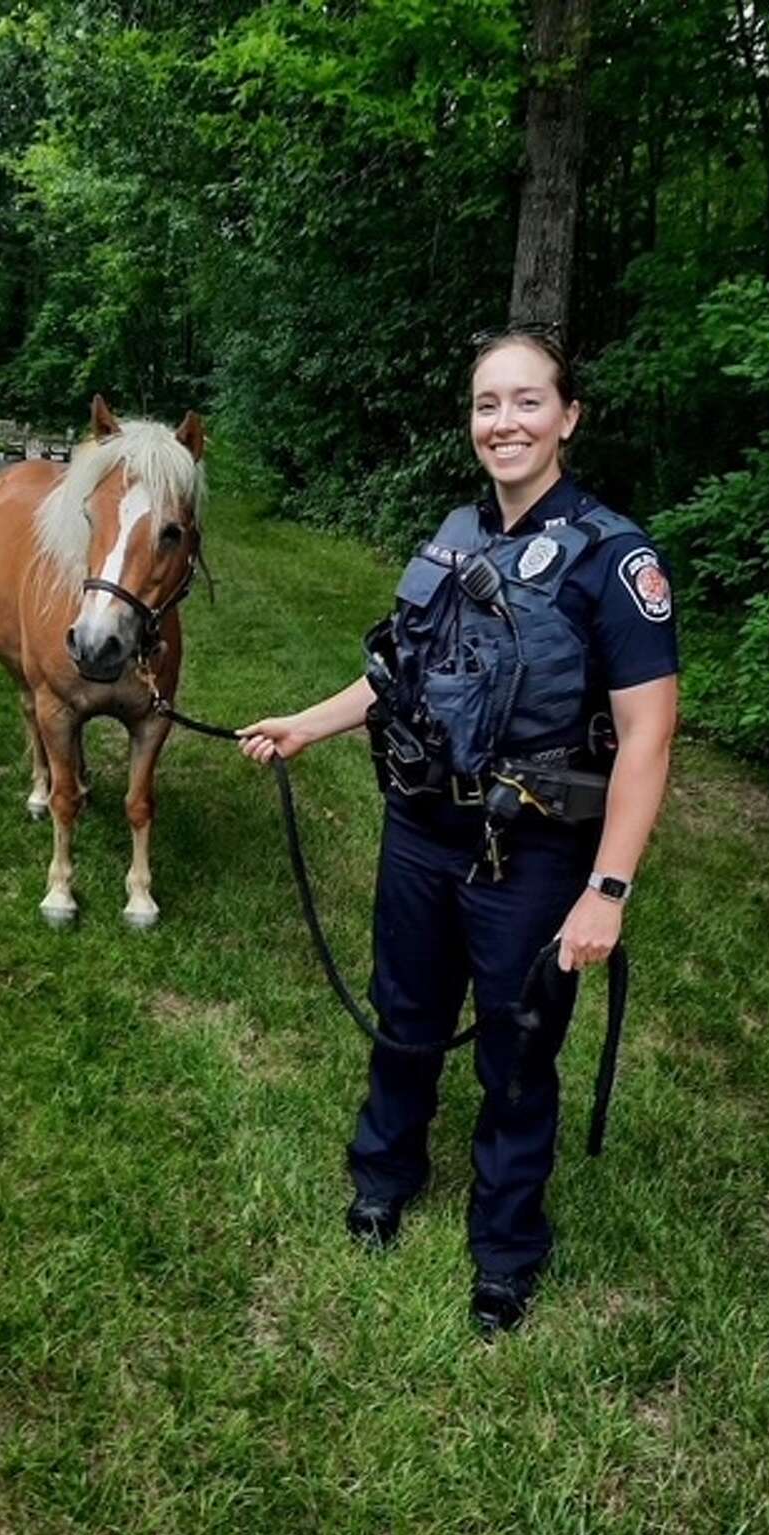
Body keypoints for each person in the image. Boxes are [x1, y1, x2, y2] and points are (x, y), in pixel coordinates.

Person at [238, 328, 678, 1335]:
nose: (505, 422)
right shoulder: (456, 536)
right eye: (488, 404)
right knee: (404, 1014)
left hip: (536, 852)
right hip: (422, 832)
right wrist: (306, 723)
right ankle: (384, 1176)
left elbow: (651, 735)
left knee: (518, 1056)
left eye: (528, 402)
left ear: (568, 417)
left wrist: (606, 888)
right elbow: (396, 671)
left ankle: (507, 1246)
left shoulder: (615, 559)